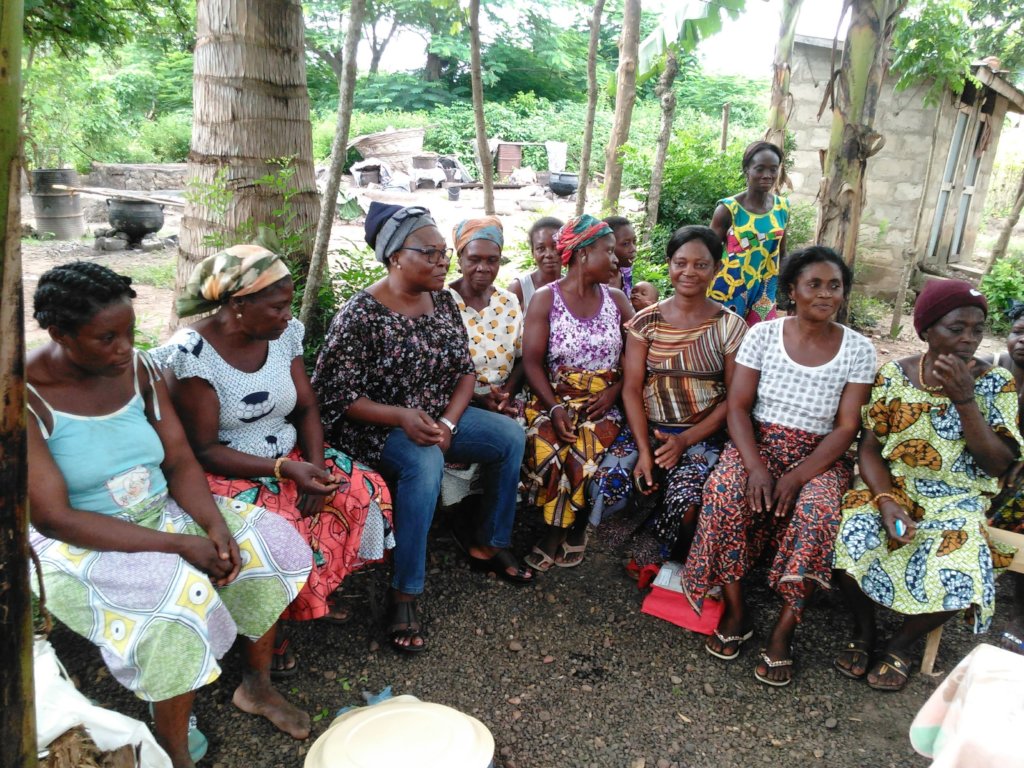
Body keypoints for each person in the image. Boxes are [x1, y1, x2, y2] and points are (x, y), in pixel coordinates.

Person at [26, 262, 313, 768]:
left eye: (130, 333)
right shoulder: (22, 397)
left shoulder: (136, 370)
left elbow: (179, 458)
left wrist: (215, 528)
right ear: (60, 335)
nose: (123, 349)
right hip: (80, 540)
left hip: (160, 511)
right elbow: (53, 519)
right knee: (178, 600)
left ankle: (256, 687)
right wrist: (184, 546)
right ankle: (174, 752)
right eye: (106, 338)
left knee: (270, 544)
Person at [153, 244, 394, 676]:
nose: (287, 316)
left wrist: (316, 469)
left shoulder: (284, 336)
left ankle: (314, 593)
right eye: (278, 306)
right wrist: (285, 471)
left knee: (363, 491)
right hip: (227, 469)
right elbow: (203, 449)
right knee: (281, 526)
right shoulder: (193, 356)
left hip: (292, 455)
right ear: (239, 305)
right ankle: (271, 624)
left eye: (288, 306)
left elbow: (306, 408)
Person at [312, 203, 533, 655]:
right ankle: (405, 591)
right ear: (395, 256)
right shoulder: (361, 315)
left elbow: (464, 371)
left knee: (509, 436)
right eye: (429, 253)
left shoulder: (442, 303)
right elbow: (336, 397)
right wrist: (401, 417)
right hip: (375, 425)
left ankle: (489, 543)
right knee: (423, 459)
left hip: (436, 415)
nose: (442, 262)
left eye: (441, 253)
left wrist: (450, 421)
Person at [681, 246, 875, 687]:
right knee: (723, 494)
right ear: (792, 290)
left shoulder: (859, 350)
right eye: (814, 284)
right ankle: (736, 609)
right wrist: (755, 467)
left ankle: (785, 627)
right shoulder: (764, 335)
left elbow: (846, 428)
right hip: (759, 443)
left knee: (818, 513)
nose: (825, 294)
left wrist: (797, 476)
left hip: (820, 455)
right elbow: (738, 407)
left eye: (834, 286)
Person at [833, 281, 1023, 692]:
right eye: (957, 328)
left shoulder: (995, 385)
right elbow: (869, 448)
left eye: (978, 329)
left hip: (960, 494)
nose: (969, 339)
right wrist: (884, 501)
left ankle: (901, 644)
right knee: (849, 538)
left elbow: (998, 463)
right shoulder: (894, 376)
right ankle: (864, 630)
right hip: (895, 485)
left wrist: (965, 400)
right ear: (926, 331)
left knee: (963, 572)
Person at [619, 226, 747, 565]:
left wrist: (685, 440)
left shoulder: (731, 326)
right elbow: (632, 387)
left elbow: (735, 400)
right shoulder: (646, 322)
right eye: (681, 262)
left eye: (701, 265)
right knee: (612, 481)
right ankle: (635, 538)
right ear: (669, 264)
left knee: (689, 502)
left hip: (703, 434)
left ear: (716, 269)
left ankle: (671, 560)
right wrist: (645, 448)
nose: (689, 272)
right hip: (647, 430)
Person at [521, 214, 635, 571]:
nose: (616, 260)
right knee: (546, 447)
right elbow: (532, 362)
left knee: (583, 454)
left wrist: (616, 390)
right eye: (609, 251)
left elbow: (637, 358)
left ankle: (556, 533)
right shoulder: (545, 299)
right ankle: (568, 525)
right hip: (555, 396)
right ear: (583, 254)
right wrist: (554, 408)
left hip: (604, 402)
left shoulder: (616, 300)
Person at [442, 216, 524, 507]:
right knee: (505, 436)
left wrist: (506, 395)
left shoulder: (508, 302)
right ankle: (475, 524)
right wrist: (479, 399)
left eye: (492, 260)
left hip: (505, 397)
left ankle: (492, 531)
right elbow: (435, 372)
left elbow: (523, 358)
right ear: (460, 257)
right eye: (474, 258)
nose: (483, 268)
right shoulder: (440, 302)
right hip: (456, 403)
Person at [708, 141, 789, 326]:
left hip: (765, 288)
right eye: (760, 169)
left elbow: (781, 253)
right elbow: (708, 253)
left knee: (758, 339)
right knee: (724, 337)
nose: (767, 175)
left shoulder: (782, 208)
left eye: (773, 169)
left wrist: (791, 288)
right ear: (747, 170)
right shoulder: (729, 209)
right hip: (729, 285)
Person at [509, 216, 563, 313]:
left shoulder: (572, 288)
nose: (549, 254)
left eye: (555, 246)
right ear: (533, 253)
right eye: (541, 248)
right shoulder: (519, 288)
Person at [603, 215, 638, 294]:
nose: (633, 249)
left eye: (634, 241)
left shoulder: (626, 274)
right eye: (625, 244)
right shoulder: (596, 282)